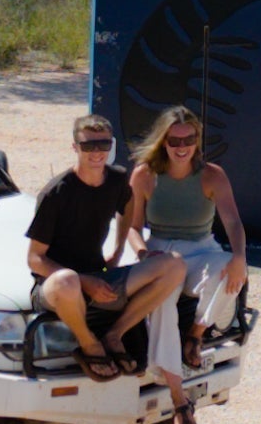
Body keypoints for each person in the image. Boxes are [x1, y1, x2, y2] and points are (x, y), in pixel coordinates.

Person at [26, 114, 187, 402]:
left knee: (173, 264)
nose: (97, 152)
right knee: (67, 280)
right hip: (58, 287)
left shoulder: (115, 179)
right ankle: (89, 344)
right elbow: (35, 259)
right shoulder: (57, 192)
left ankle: (115, 334)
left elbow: (127, 207)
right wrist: (85, 281)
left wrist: (118, 250)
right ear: (75, 147)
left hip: (98, 277)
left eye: (103, 144)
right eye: (88, 145)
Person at [126, 106, 248, 400]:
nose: (182, 147)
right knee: (162, 301)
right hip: (159, 248)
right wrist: (143, 253)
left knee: (231, 270)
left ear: (197, 139)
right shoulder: (145, 174)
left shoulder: (212, 175)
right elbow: (132, 227)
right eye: (174, 141)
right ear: (163, 142)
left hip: (200, 247)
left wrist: (239, 257)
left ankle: (196, 333)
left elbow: (232, 221)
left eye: (188, 140)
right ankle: (165, 371)